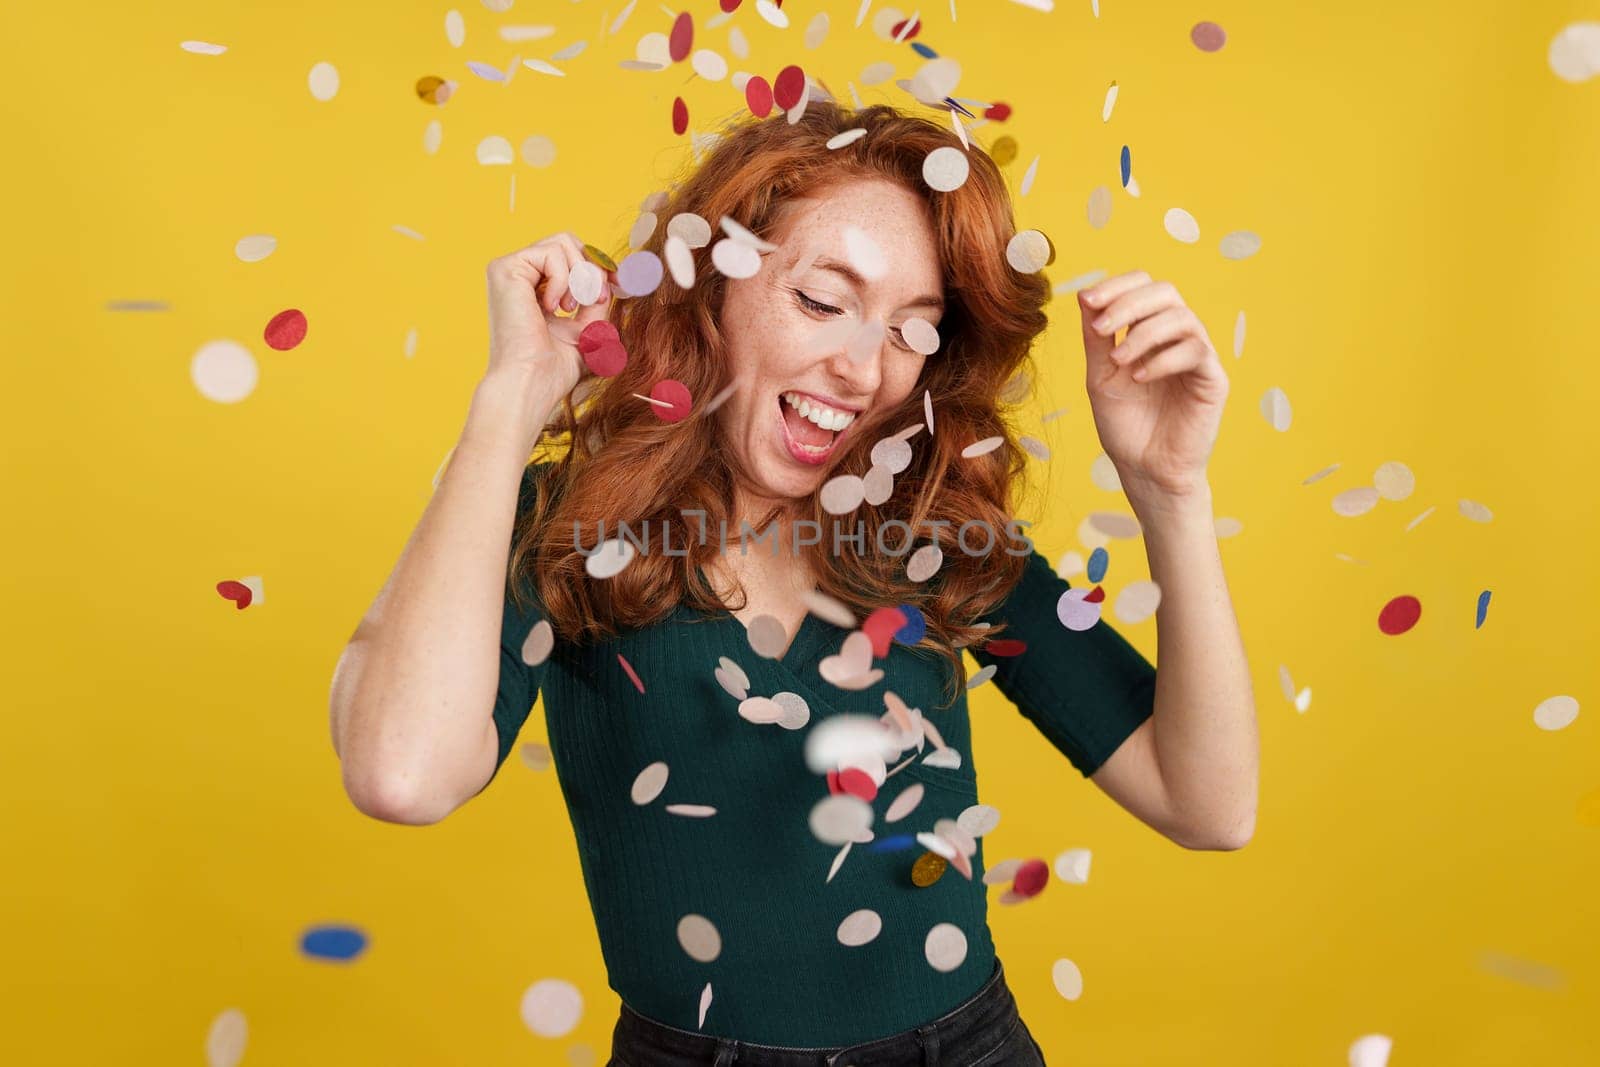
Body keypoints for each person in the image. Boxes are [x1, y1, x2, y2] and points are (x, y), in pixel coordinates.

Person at [330, 98, 1256, 1066]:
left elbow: (1206, 804)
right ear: (710, 290)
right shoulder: (568, 521)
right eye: (821, 301)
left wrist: (1169, 488)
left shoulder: (931, 526)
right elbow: (402, 774)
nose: (861, 369)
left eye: (913, 329)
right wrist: (509, 401)